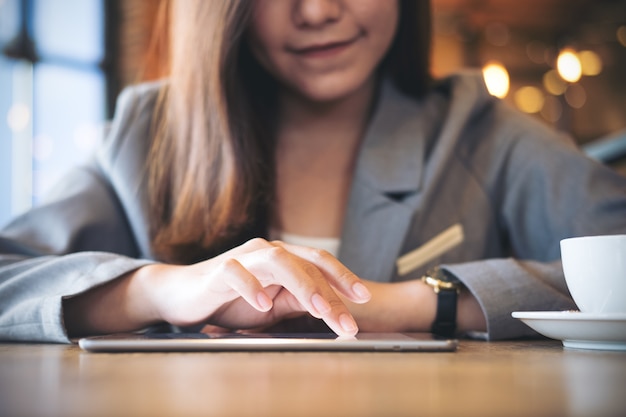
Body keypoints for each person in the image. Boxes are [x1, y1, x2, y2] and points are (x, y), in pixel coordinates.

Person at [1, 0, 625, 343]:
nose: (319, 10)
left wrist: (414, 304)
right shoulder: (149, 130)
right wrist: (162, 290)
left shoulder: (479, 129)